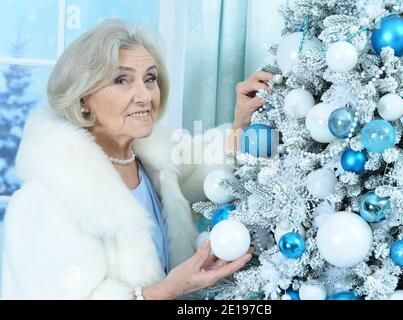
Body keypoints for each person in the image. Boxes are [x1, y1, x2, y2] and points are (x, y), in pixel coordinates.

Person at [0, 19, 273, 299]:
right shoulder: (43, 199)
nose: (144, 95)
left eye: (150, 79)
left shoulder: (152, 162)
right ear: (83, 97)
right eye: (122, 80)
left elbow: (205, 172)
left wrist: (241, 122)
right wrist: (167, 291)